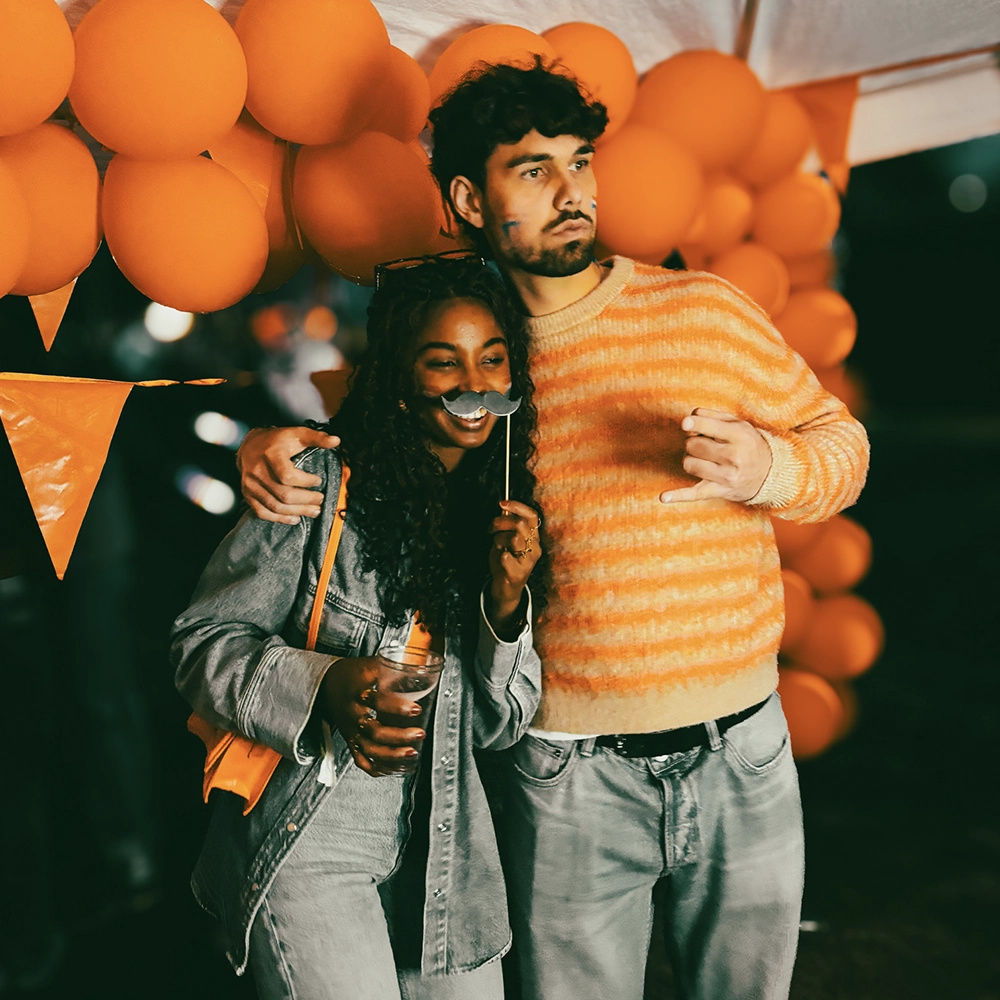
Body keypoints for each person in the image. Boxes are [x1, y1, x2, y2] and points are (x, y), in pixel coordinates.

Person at [235, 62, 870, 1000]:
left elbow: (841, 444)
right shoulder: (468, 352)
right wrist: (262, 447)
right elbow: (366, 456)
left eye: (581, 162)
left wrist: (772, 469)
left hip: (745, 750)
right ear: (466, 198)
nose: (574, 192)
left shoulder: (702, 310)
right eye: (534, 171)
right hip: (568, 774)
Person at [171, 254, 546, 1000]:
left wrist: (505, 610)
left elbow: (498, 728)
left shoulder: (499, 513)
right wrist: (326, 683)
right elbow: (201, 643)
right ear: (401, 381)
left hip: (446, 857)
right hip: (313, 838)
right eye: (443, 363)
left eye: (491, 358)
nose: (473, 383)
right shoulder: (319, 485)